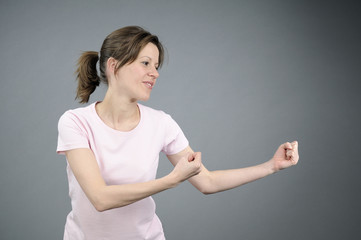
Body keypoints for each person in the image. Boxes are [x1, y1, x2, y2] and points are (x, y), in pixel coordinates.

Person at [56, 26, 299, 240]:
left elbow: (208, 181)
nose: (155, 73)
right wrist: (171, 181)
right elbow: (100, 198)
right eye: (146, 63)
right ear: (114, 65)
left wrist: (271, 166)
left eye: (157, 66)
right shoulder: (75, 122)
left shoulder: (161, 123)